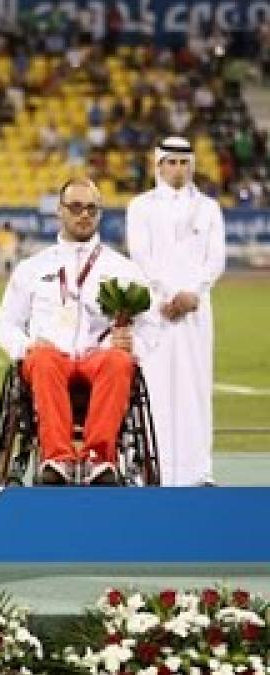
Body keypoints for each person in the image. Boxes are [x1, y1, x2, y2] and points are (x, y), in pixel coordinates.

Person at [0, 177, 156, 486]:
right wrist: (25, 346)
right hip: (49, 360)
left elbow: (152, 322)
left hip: (100, 360)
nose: (84, 215)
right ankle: (57, 459)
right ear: (60, 211)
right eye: (76, 207)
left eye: (92, 209)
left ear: (100, 214)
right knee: (43, 358)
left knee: (119, 360)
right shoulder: (33, 267)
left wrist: (134, 343)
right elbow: (5, 322)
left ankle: (99, 460)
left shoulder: (123, 268)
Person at [125, 137, 226, 486]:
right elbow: (139, 254)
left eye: (184, 163)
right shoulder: (140, 207)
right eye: (171, 162)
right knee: (153, 387)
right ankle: (151, 468)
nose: (178, 169)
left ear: (192, 166)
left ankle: (199, 471)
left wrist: (192, 294)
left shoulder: (209, 208)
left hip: (196, 311)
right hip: (156, 311)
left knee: (197, 388)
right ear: (158, 165)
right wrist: (169, 295)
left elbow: (215, 259)